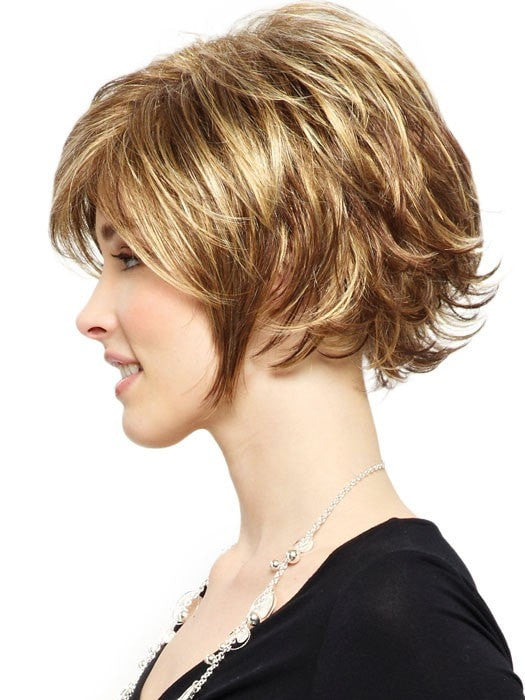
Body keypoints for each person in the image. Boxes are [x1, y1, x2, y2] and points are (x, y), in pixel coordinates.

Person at [48, 2, 524, 698]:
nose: (90, 316)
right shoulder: (235, 584)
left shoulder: (400, 614)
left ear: (282, 258)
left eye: (130, 258)